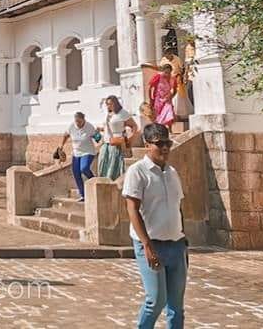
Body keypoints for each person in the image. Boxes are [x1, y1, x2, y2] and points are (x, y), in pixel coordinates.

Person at [123, 122, 188, 329]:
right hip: (151, 246)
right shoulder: (138, 171)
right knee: (156, 300)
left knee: (176, 306)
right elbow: (132, 209)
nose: (165, 148)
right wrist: (147, 245)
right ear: (147, 144)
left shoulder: (172, 172)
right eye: (159, 144)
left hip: (176, 245)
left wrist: (183, 238)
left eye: (167, 143)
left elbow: (178, 206)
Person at [57, 111, 97, 201]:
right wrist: (61, 145)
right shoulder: (71, 126)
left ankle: (95, 181)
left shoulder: (89, 127)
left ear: (84, 120)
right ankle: (83, 195)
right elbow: (66, 135)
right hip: (76, 153)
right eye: (76, 121)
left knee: (84, 168)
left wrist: (99, 136)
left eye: (79, 121)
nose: (78, 123)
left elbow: (97, 137)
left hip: (88, 152)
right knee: (76, 173)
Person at [97, 95, 139, 181]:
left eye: (110, 104)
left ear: (115, 103)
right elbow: (107, 127)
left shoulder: (122, 113)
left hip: (117, 142)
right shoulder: (107, 114)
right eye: (107, 104)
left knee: (113, 168)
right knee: (102, 165)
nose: (109, 106)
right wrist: (101, 129)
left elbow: (134, 126)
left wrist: (129, 139)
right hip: (106, 142)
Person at [148, 62, 177, 126]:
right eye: (166, 72)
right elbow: (150, 88)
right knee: (159, 115)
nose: (167, 74)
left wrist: (171, 96)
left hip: (167, 99)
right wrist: (151, 98)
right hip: (158, 100)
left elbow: (175, 90)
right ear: (163, 71)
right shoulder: (158, 77)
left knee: (169, 113)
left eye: (169, 72)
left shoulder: (172, 79)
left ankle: (170, 130)